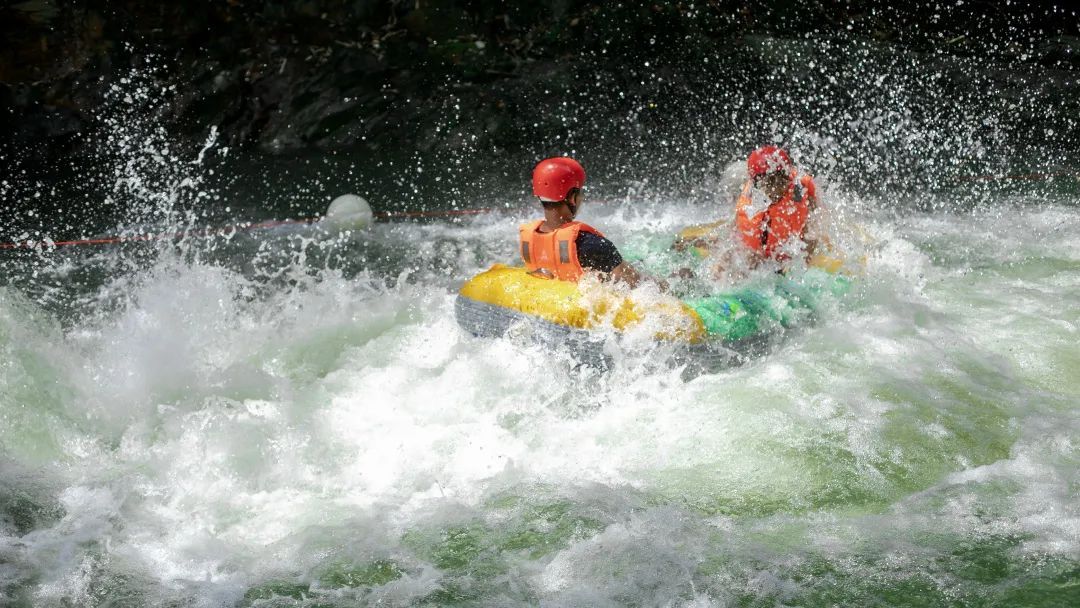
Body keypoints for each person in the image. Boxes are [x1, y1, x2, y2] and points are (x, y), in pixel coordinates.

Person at [675, 146, 828, 274]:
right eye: (770, 181)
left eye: (781, 179)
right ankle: (692, 244)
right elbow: (736, 238)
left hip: (784, 246)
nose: (777, 186)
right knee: (735, 253)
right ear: (757, 183)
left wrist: (803, 266)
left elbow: (813, 229)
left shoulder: (801, 188)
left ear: (789, 176)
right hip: (757, 245)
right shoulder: (749, 202)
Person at [520, 157, 665, 290]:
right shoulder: (590, 244)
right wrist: (669, 285)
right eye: (580, 192)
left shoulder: (528, 240)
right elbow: (638, 285)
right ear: (571, 198)